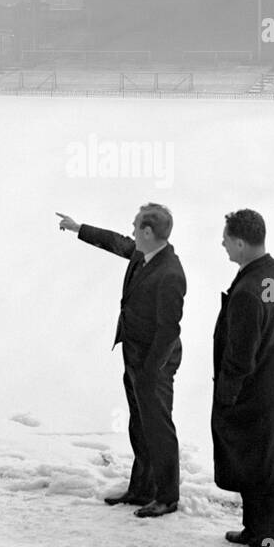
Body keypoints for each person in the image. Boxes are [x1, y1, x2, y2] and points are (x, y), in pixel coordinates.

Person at [57, 205, 184, 517]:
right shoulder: (144, 254)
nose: (130, 230)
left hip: (155, 362)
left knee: (158, 428)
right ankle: (142, 489)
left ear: (148, 232)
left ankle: (166, 497)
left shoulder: (170, 272)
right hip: (136, 355)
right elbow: (116, 242)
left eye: (135, 226)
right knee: (140, 425)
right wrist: (78, 228)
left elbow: (169, 331)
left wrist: (151, 371)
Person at [212, 209, 274, 547]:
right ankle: (255, 530)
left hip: (252, 393)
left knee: (258, 470)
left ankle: (267, 545)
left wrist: (226, 394)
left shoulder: (251, 291)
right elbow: (269, 317)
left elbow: (241, 353)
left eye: (226, 238)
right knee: (258, 466)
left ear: (240, 242)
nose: (222, 244)